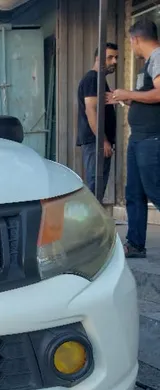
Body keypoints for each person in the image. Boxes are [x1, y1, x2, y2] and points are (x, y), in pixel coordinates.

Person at [109, 20, 160, 258]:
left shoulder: (158, 56)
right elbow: (148, 96)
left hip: (152, 138)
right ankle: (136, 244)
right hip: (139, 137)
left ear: (135, 39)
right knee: (134, 193)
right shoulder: (146, 64)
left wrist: (129, 93)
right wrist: (129, 99)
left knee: (156, 190)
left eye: (131, 42)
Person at [76, 43, 118, 203]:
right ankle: (89, 227)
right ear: (98, 58)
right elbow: (91, 110)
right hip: (96, 142)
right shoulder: (93, 79)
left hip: (96, 142)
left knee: (97, 188)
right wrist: (103, 141)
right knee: (94, 189)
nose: (114, 61)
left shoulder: (98, 79)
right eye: (110, 57)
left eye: (116, 58)